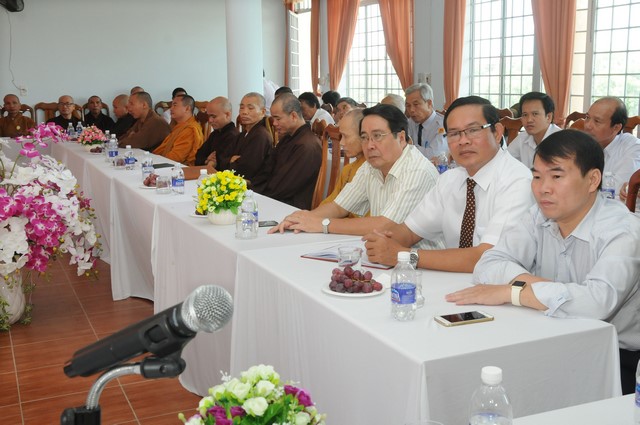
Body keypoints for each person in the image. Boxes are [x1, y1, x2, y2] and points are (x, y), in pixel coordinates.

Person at [446, 130, 640, 395]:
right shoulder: (538, 215)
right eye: (536, 176)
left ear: (593, 180)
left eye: (556, 176)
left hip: (620, 357)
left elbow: (597, 302)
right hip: (550, 334)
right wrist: (536, 287)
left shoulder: (623, 231)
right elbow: (488, 264)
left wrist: (514, 293)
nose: (543, 188)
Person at [363, 96, 534, 272]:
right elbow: (410, 231)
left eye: (473, 130)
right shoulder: (450, 179)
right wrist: (383, 242)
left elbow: (487, 257)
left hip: (500, 284)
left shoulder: (517, 181)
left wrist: (405, 256)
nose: (463, 140)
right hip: (452, 280)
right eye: (453, 133)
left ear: (497, 133)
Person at [270, 104, 440, 237]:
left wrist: (323, 224)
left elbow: (386, 225)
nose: (370, 145)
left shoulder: (417, 171)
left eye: (377, 136)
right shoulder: (370, 166)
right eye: (364, 137)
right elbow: (339, 207)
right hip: (382, 253)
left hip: (420, 263)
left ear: (401, 138)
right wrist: (303, 219)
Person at [255, 93, 322, 210]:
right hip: (275, 196)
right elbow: (268, 168)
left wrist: (256, 195)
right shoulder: (288, 137)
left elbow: (283, 186)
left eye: (278, 118)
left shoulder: (307, 145)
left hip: (290, 206)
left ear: (293, 116)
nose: (274, 123)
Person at [583, 96, 640, 194]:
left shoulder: (632, 147)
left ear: (616, 128)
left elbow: (618, 189)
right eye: (587, 118)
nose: (588, 125)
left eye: (597, 121)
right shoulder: (581, 144)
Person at [319, 108, 366, 209]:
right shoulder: (347, 170)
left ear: (364, 135)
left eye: (346, 136)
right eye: (341, 136)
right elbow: (331, 202)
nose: (341, 143)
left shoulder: (374, 173)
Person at [507, 92, 562, 168]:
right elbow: (504, 161)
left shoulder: (561, 141)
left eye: (535, 114)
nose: (529, 120)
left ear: (549, 117)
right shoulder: (523, 138)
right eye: (525, 115)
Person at [228, 93, 272, 185]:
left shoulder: (260, 135)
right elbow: (226, 156)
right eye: (241, 108)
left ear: (263, 112)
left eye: (250, 108)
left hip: (252, 185)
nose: (244, 112)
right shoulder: (243, 134)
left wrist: (231, 161)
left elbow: (247, 169)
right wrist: (230, 160)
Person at [153, 94, 203, 165]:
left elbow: (176, 157)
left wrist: (155, 161)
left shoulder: (190, 130)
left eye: (175, 105)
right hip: (165, 162)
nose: (171, 109)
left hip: (180, 168)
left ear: (187, 108)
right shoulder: (179, 126)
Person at [195, 96, 239, 169]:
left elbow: (223, 164)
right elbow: (198, 155)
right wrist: (206, 160)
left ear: (227, 115)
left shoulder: (233, 136)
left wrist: (213, 162)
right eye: (209, 116)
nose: (210, 120)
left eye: (213, 116)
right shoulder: (215, 134)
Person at [404, 83, 446, 160]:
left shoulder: (442, 125)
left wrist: (409, 148)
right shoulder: (409, 123)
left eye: (416, 104)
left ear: (429, 104)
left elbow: (435, 154)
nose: (411, 110)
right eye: (408, 106)